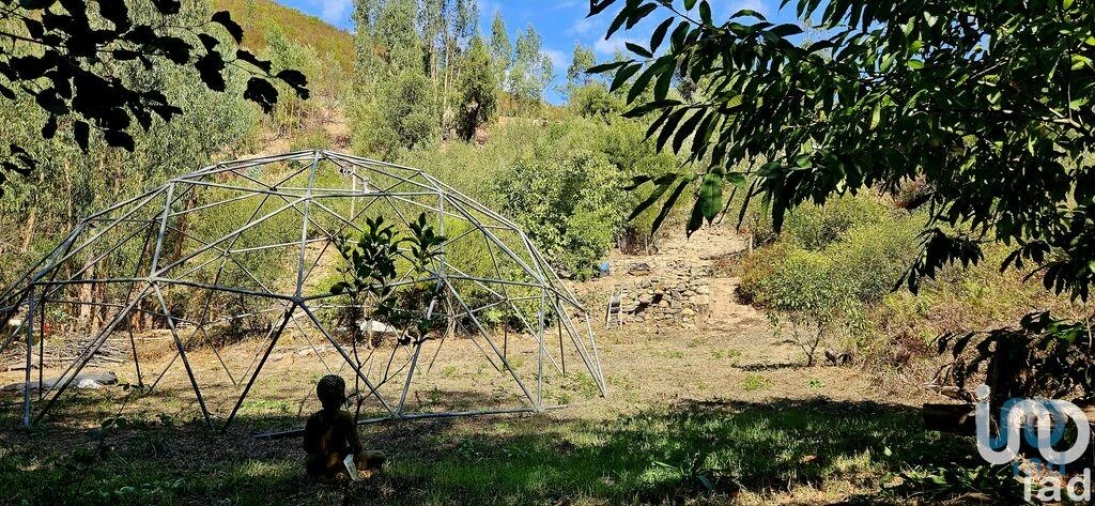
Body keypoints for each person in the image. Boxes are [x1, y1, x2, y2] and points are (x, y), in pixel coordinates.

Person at [303, 375, 386, 478]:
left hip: (316, 466)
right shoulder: (344, 417)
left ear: (320, 396)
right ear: (340, 396)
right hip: (338, 464)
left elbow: (307, 447)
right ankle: (346, 473)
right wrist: (342, 451)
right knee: (379, 455)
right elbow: (357, 448)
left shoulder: (313, 418)